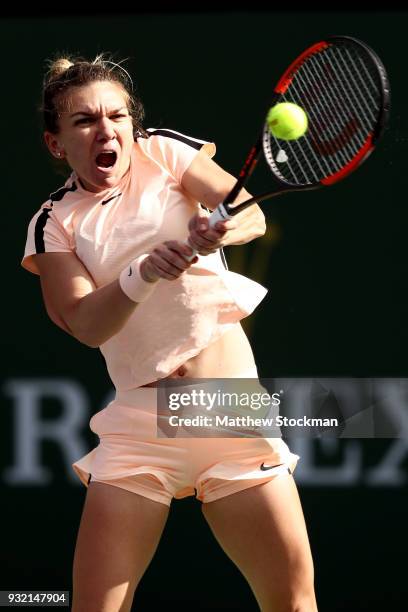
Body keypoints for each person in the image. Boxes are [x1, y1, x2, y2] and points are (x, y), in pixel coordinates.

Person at [21, 54, 318, 612]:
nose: (106, 130)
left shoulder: (162, 150)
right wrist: (144, 272)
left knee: (293, 605)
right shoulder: (54, 222)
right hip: (138, 430)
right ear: (56, 142)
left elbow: (249, 212)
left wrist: (222, 225)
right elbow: (85, 323)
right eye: (84, 120)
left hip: (226, 412)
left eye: (117, 116)